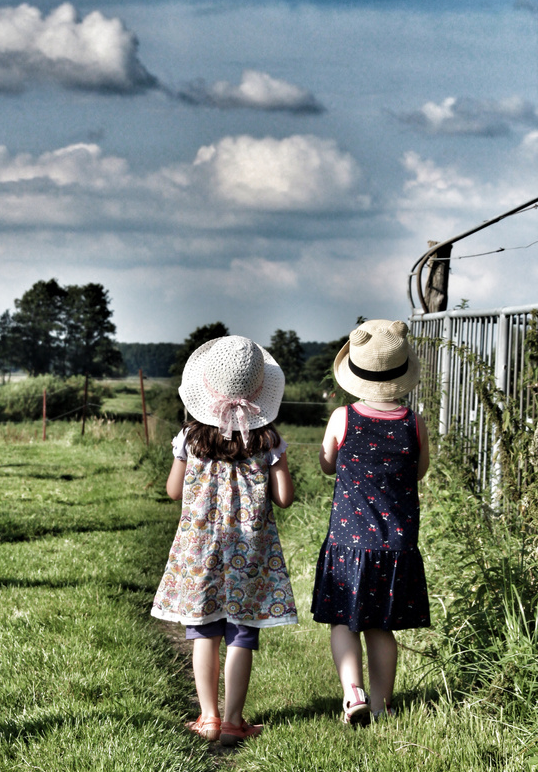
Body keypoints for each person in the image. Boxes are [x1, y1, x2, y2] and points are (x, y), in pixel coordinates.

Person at [151, 335, 297, 746]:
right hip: (250, 548)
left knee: (203, 630)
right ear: (259, 390)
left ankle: (209, 718)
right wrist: (280, 463)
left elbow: (174, 492)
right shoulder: (268, 440)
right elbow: (284, 499)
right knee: (242, 631)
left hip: (200, 548)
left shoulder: (190, 438)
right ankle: (234, 721)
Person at [312, 319, 430, 724]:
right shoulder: (414, 423)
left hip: (349, 541)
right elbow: (419, 471)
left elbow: (327, 465)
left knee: (345, 622)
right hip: (395, 547)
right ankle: (381, 705)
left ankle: (353, 693)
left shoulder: (342, 418)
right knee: (382, 628)